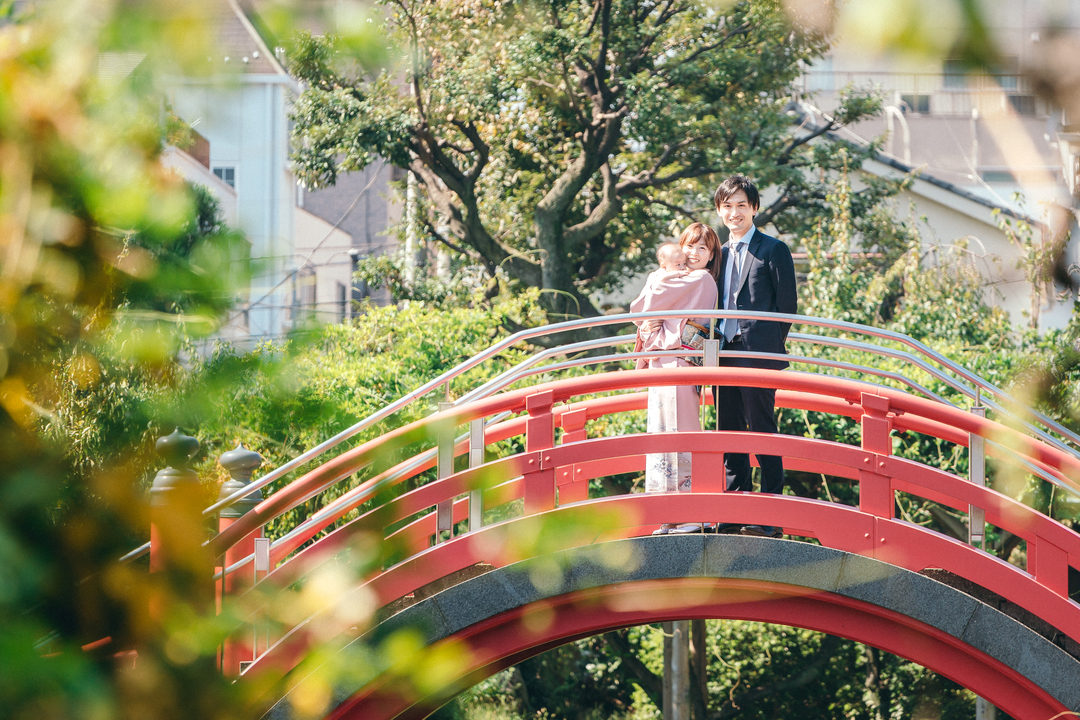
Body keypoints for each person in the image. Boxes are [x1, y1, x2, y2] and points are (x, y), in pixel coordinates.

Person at [712, 174, 798, 538]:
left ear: (755, 208)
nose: (734, 213)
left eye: (741, 206)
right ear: (719, 211)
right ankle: (733, 507)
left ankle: (769, 513)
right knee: (727, 429)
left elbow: (787, 307)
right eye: (727, 207)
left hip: (757, 354)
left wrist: (765, 348)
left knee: (762, 429)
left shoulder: (772, 249)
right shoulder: (716, 252)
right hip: (721, 352)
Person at [630, 224, 720, 534]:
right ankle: (668, 512)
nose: (694, 254)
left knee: (683, 431)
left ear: (711, 256)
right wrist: (648, 324)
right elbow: (641, 313)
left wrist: (657, 280)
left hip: (681, 361)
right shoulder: (677, 277)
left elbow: (650, 300)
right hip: (661, 363)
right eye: (689, 246)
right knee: (660, 435)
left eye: (702, 249)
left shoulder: (701, 279)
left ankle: (695, 512)